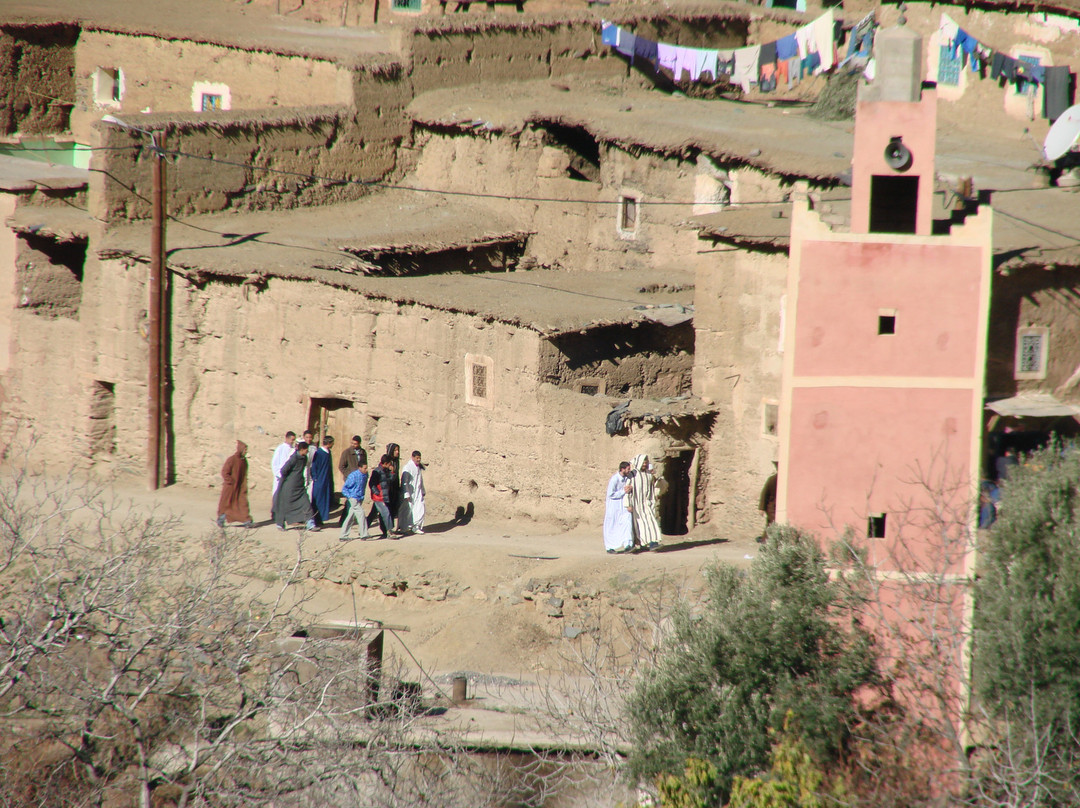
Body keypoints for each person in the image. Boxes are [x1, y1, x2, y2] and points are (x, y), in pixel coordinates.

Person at [274, 442, 318, 532]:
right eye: (306, 450)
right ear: (301, 450)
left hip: (299, 486)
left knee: (306, 503)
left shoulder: (304, 458)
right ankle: (280, 524)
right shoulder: (293, 458)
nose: (307, 451)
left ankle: (310, 524)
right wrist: (290, 479)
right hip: (289, 487)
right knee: (285, 505)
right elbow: (284, 470)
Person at [628, 454, 661, 550]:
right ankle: (642, 544)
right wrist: (628, 504)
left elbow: (653, 487)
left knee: (651, 522)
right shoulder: (632, 475)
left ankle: (653, 543)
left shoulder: (649, 475)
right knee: (639, 526)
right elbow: (627, 490)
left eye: (646, 462)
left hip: (647, 504)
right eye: (643, 462)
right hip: (636, 505)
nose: (645, 464)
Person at [216, 440, 253, 528]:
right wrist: (230, 482)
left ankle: (246, 520)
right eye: (244, 450)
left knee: (242, 503)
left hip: (239, 487)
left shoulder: (244, 461)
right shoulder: (232, 460)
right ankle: (221, 519)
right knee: (226, 504)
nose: (246, 452)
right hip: (230, 487)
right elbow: (225, 472)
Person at [603, 461, 634, 554]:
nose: (629, 471)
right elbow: (610, 494)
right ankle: (610, 547)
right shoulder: (614, 479)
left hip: (623, 505)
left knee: (627, 522)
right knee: (612, 525)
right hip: (614, 506)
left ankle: (628, 545)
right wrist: (623, 491)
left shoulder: (627, 478)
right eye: (628, 469)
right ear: (622, 469)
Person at [338, 435, 368, 526]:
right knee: (351, 500)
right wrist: (349, 476)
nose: (353, 445)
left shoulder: (362, 452)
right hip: (351, 480)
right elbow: (341, 466)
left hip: (360, 480)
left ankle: (348, 520)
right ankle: (344, 521)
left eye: (355, 444)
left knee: (355, 501)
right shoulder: (347, 452)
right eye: (352, 443)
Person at [339, 461, 370, 542]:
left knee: (351, 516)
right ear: (359, 468)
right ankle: (364, 534)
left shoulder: (365, 475)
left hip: (359, 498)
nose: (366, 470)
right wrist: (350, 497)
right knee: (361, 513)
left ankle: (343, 535)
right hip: (353, 498)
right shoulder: (353, 476)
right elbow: (345, 488)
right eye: (365, 468)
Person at [398, 450, 426, 534]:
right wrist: (406, 493)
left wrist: (423, 490)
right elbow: (404, 481)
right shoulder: (407, 467)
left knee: (420, 508)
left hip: (418, 492)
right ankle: (404, 527)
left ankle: (416, 526)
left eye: (419, 458)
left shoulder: (418, 467)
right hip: (410, 493)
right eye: (417, 458)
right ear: (413, 457)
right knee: (407, 510)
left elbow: (420, 480)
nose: (418, 460)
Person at [369, 454, 396, 539]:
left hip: (384, 497)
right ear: (385, 463)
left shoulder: (386, 471)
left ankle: (363, 529)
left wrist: (392, 472)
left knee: (373, 514)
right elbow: (371, 484)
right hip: (379, 498)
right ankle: (389, 531)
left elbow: (390, 480)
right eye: (389, 463)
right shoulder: (377, 471)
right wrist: (377, 493)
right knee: (386, 513)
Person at [270, 431, 296, 518]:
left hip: (288, 476)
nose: (293, 441)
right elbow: (275, 463)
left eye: (294, 440)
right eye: (292, 439)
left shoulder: (292, 449)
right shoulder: (280, 448)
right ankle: (275, 512)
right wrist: (278, 474)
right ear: (287, 438)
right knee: (277, 494)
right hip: (280, 476)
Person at [310, 435, 335, 526]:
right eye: (332, 443)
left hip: (326, 480)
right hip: (320, 480)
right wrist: (315, 478)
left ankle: (321, 519)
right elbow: (314, 466)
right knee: (318, 500)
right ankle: (315, 520)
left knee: (325, 499)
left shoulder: (328, 452)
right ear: (328, 443)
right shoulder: (319, 453)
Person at [385, 443, 402, 524]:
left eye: (398, 450)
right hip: (386, 489)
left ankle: (389, 529)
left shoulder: (396, 461)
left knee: (392, 510)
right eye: (395, 450)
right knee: (377, 511)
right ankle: (365, 528)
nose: (397, 452)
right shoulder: (386, 461)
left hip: (394, 489)